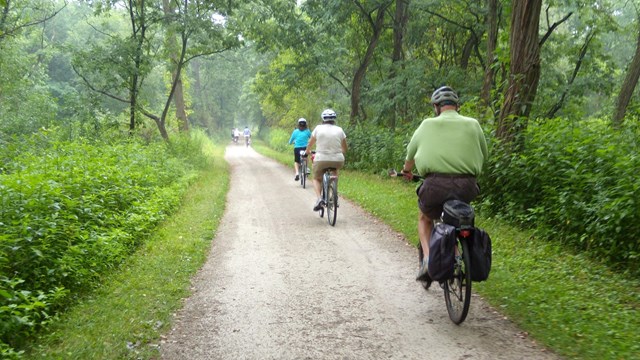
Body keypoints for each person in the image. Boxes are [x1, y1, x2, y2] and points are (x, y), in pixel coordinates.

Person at [401, 86, 488, 289]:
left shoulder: (426, 125)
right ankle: (458, 252)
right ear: (457, 106)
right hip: (467, 185)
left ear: (435, 107)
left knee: (425, 218)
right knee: (458, 216)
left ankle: (429, 261)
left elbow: (410, 155)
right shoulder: (473, 124)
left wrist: (406, 170)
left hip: (435, 185)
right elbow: (485, 155)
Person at [305, 109, 347, 211]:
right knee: (335, 169)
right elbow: (345, 148)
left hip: (321, 159)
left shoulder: (318, 128)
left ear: (323, 118)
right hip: (338, 159)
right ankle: (334, 190)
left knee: (316, 178)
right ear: (334, 119)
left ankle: (319, 199)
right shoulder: (340, 130)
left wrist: (307, 151)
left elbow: (310, 143)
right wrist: (337, 152)